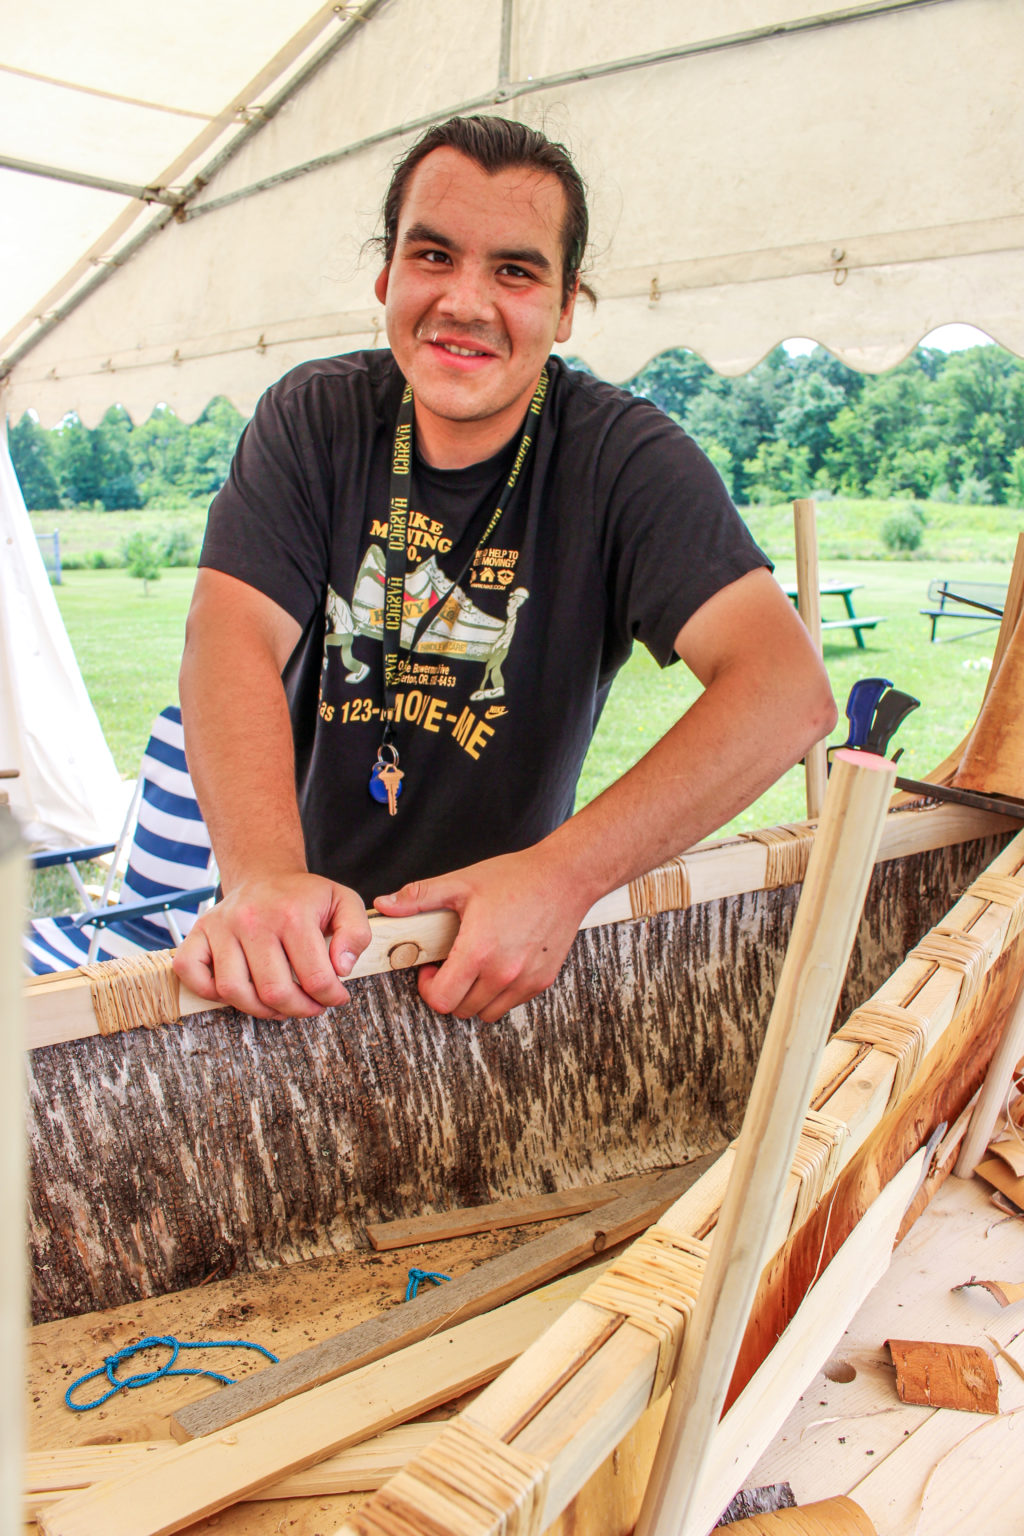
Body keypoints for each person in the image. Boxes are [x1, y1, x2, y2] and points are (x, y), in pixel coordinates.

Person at [175, 115, 836, 1026]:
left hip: (492, 955)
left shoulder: (624, 458)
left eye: (515, 272)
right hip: (301, 948)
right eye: (434, 257)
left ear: (567, 307)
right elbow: (232, 635)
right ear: (388, 276)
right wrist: (263, 874)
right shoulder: (313, 418)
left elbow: (786, 689)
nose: (466, 302)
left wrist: (560, 878)